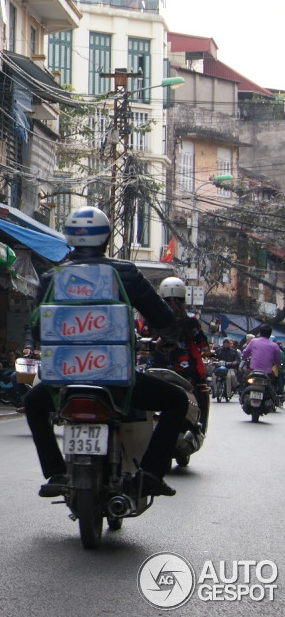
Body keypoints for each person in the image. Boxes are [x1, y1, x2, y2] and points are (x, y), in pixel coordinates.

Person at [22, 206, 186, 499]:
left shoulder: (51, 278)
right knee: (176, 401)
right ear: (106, 238)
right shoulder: (126, 273)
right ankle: (149, 474)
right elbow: (163, 321)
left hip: (63, 383)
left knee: (33, 404)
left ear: (70, 238)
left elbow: (37, 331)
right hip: (117, 381)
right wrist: (169, 335)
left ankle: (56, 473)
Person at [153, 276, 209, 428]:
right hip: (184, 372)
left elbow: (143, 336)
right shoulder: (191, 319)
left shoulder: (152, 315)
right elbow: (203, 344)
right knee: (200, 393)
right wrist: (205, 351)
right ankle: (198, 425)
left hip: (155, 368)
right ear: (184, 296)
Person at [241, 326, 283, 396]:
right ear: (270, 334)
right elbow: (278, 360)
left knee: (244, 379)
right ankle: (275, 396)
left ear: (260, 333)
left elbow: (245, 353)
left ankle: (242, 394)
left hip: (253, 371)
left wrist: (243, 358)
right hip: (267, 373)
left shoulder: (253, 341)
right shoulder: (274, 345)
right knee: (273, 383)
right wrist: (277, 364)